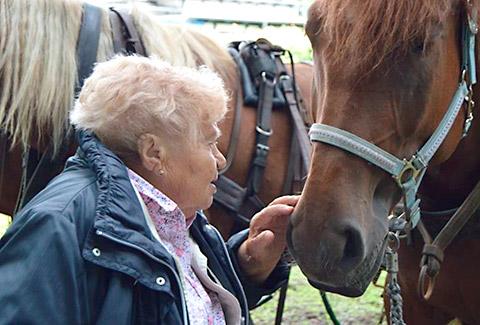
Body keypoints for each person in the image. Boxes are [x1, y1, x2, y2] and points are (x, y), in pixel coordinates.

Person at [0, 55, 298, 324]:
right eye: (209, 143)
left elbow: (171, 302)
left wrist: (247, 265)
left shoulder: (168, 212)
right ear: (154, 153)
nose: (220, 161)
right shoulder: (56, 226)